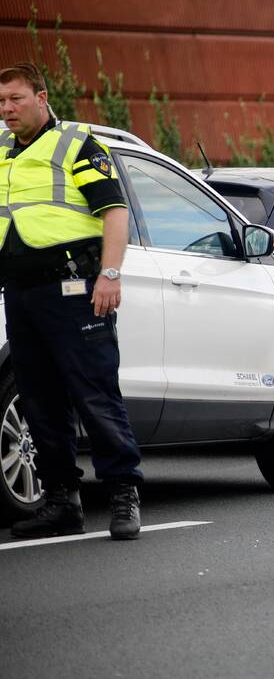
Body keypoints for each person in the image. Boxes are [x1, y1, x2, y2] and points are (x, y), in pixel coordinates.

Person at [0, 62, 142, 540]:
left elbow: (115, 211)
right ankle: (62, 500)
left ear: (41, 97)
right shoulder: (2, 151)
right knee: (39, 399)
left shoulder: (77, 144)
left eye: (15, 99)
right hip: (20, 294)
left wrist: (110, 274)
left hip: (76, 288)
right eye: (1, 103)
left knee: (94, 393)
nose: (7, 110)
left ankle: (123, 493)